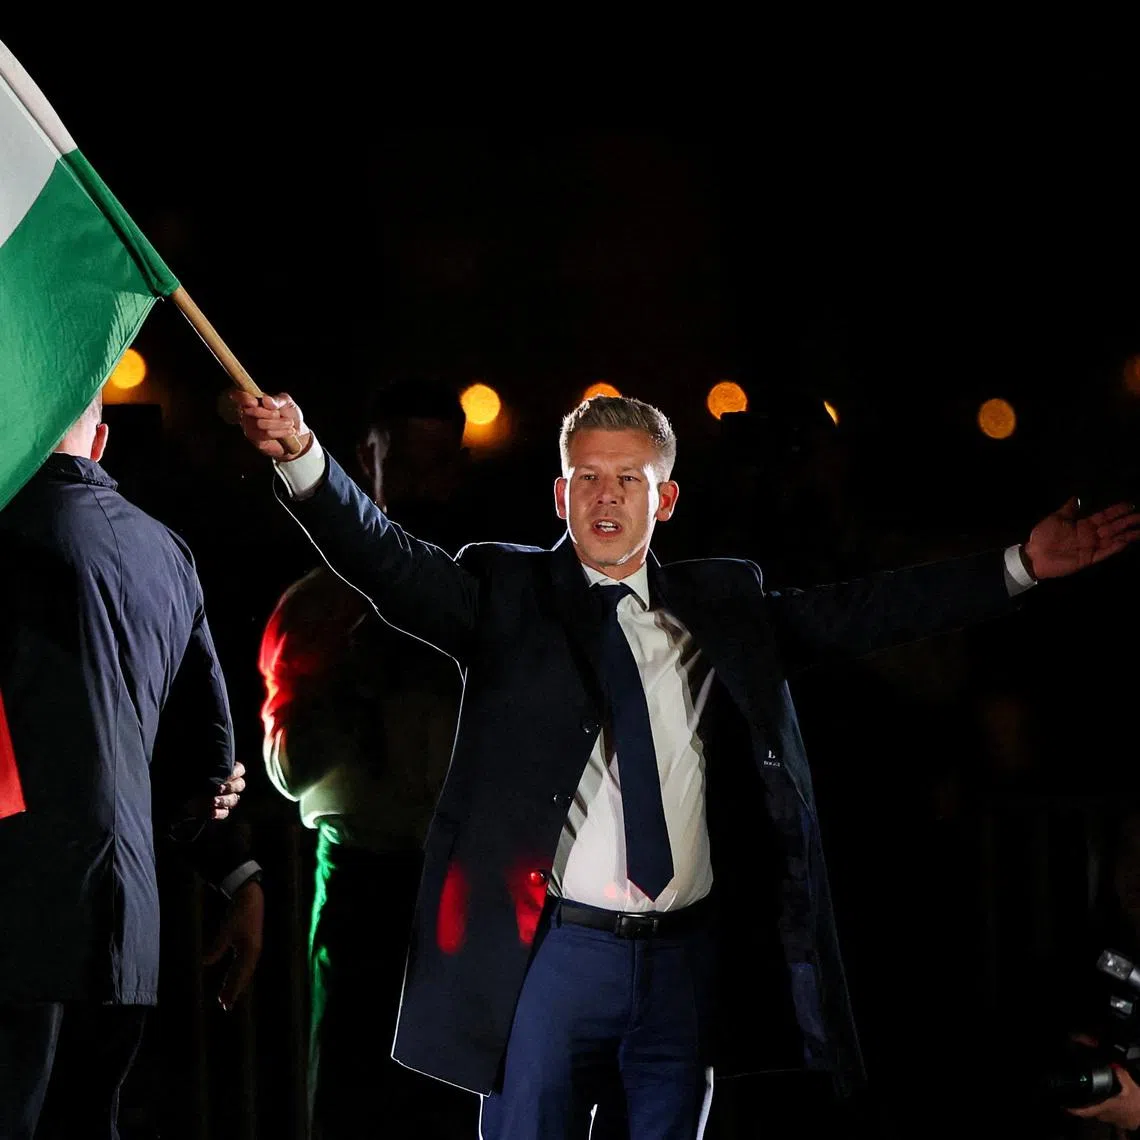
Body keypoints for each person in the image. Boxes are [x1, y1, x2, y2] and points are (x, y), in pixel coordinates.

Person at [232, 387, 1139, 1139]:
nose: (606, 497)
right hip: (554, 953)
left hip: (683, 960)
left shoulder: (723, 603)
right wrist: (305, 458)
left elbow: (864, 609)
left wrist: (1019, 565)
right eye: (587, 477)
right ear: (559, 494)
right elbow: (389, 561)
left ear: (665, 499)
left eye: (629, 478)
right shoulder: (507, 596)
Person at [0, 393, 264, 1140]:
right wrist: (238, 877)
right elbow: (207, 763)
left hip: (15, 915)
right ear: (102, 439)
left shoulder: (8, 532)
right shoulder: (166, 553)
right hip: (127, 933)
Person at [257, 379, 478, 1138]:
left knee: (459, 1101)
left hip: (468, 882)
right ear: (366, 460)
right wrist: (352, 678)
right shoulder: (317, 608)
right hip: (362, 880)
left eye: (437, 464)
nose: (423, 484)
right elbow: (287, 775)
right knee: (353, 1097)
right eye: (404, 463)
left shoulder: (487, 599)